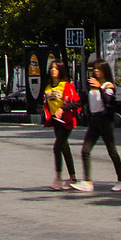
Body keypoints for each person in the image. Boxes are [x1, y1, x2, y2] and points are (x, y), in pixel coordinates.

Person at [77, 58, 121, 192]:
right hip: (93, 121)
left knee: (112, 151)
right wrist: (64, 108)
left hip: (105, 121)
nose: (96, 72)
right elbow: (82, 102)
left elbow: (109, 103)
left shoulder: (108, 86)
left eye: (99, 69)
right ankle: (87, 181)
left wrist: (99, 87)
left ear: (104, 71)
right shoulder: (93, 86)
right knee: (85, 150)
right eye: (94, 69)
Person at [42, 56, 80, 187]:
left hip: (66, 120)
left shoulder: (66, 86)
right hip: (55, 121)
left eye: (56, 69)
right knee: (64, 148)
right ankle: (73, 177)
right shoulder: (47, 87)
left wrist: (62, 109)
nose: (53, 70)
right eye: (52, 68)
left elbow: (75, 102)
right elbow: (46, 103)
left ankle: (58, 178)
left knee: (57, 147)